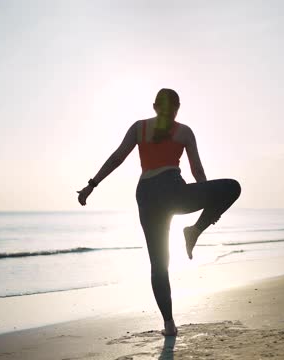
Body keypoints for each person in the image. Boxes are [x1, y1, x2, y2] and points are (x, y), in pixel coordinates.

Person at [76, 88, 241, 336]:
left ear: (155, 106)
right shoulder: (184, 131)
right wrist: (208, 200)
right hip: (174, 192)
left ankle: (169, 325)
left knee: (158, 263)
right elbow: (197, 171)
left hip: (147, 195)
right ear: (177, 108)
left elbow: (117, 158)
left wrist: (91, 185)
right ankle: (195, 231)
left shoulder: (139, 128)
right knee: (232, 188)